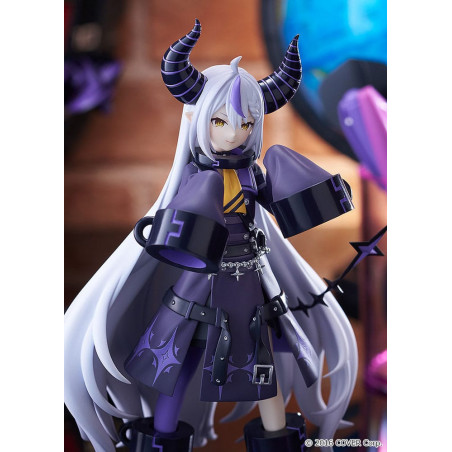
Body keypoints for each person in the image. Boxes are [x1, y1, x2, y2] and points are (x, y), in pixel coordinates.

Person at [64, 19, 357, 452]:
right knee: (178, 363)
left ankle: (276, 440)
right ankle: (161, 439)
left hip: (251, 282)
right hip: (201, 281)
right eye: (220, 121)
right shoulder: (197, 178)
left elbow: (284, 206)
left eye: (245, 123)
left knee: (260, 361)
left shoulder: (254, 172)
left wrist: (323, 193)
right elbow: (181, 227)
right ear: (200, 120)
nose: (233, 133)